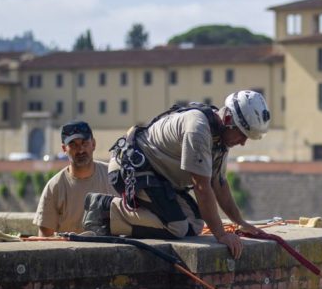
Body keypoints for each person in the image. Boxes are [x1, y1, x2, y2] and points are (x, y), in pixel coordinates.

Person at [81, 90, 270, 260]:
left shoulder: (220, 138)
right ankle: (104, 211)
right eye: (242, 134)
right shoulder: (198, 129)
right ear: (228, 120)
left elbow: (219, 184)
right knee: (177, 227)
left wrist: (241, 223)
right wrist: (221, 235)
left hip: (158, 175)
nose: (243, 142)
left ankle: (119, 213)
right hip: (131, 170)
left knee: (195, 224)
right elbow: (202, 188)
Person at [33, 121, 112, 236]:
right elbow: (45, 238)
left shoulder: (113, 177)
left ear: (93, 144)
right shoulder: (54, 187)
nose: (80, 150)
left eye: (84, 143)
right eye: (73, 145)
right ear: (64, 149)